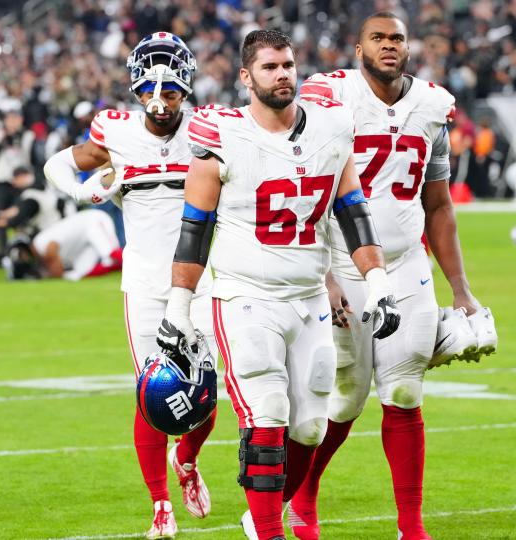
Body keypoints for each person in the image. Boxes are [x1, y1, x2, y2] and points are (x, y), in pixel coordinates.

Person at [157, 29, 401, 540]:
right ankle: (270, 532)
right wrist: (178, 307)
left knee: (310, 426)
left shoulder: (332, 127)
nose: (282, 74)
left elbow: (352, 210)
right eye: (269, 67)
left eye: (288, 64)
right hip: (246, 294)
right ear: (246, 77)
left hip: (308, 293)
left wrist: (376, 280)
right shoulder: (221, 133)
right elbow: (194, 229)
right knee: (266, 413)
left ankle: (261, 513)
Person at [291, 13, 494, 540]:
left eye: (397, 38)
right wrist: (323, 276)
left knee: (405, 391)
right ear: (358, 48)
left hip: (406, 263)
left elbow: (440, 205)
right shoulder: (328, 97)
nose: (388, 46)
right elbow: (307, 189)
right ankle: (303, 496)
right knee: (347, 396)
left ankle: (411, 527)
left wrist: (462, 289)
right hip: (343, 262)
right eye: (378, 38)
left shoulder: (431, 106)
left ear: (409, 47)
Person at [43, 33, 216, 539]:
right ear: (137, 87)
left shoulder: (210, 130)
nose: (159, 101)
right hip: (144, 280)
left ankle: (186, 460)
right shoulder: (115, 133)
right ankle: (160, 504)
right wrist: (82, 192)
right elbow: (59, 163)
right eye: (149, 90)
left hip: (203, 279)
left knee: (206, 392)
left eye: (169, 90)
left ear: (185, 86)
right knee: (150, 393)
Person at [29, 209, 122, 280]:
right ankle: (127, 268)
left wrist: (54, 270)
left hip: (92, 220)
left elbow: (51, 248)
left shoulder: (39, 243)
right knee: (80, 273)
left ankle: (135, 264)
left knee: (110, 254)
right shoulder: (39, 248)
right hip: (83, 243)